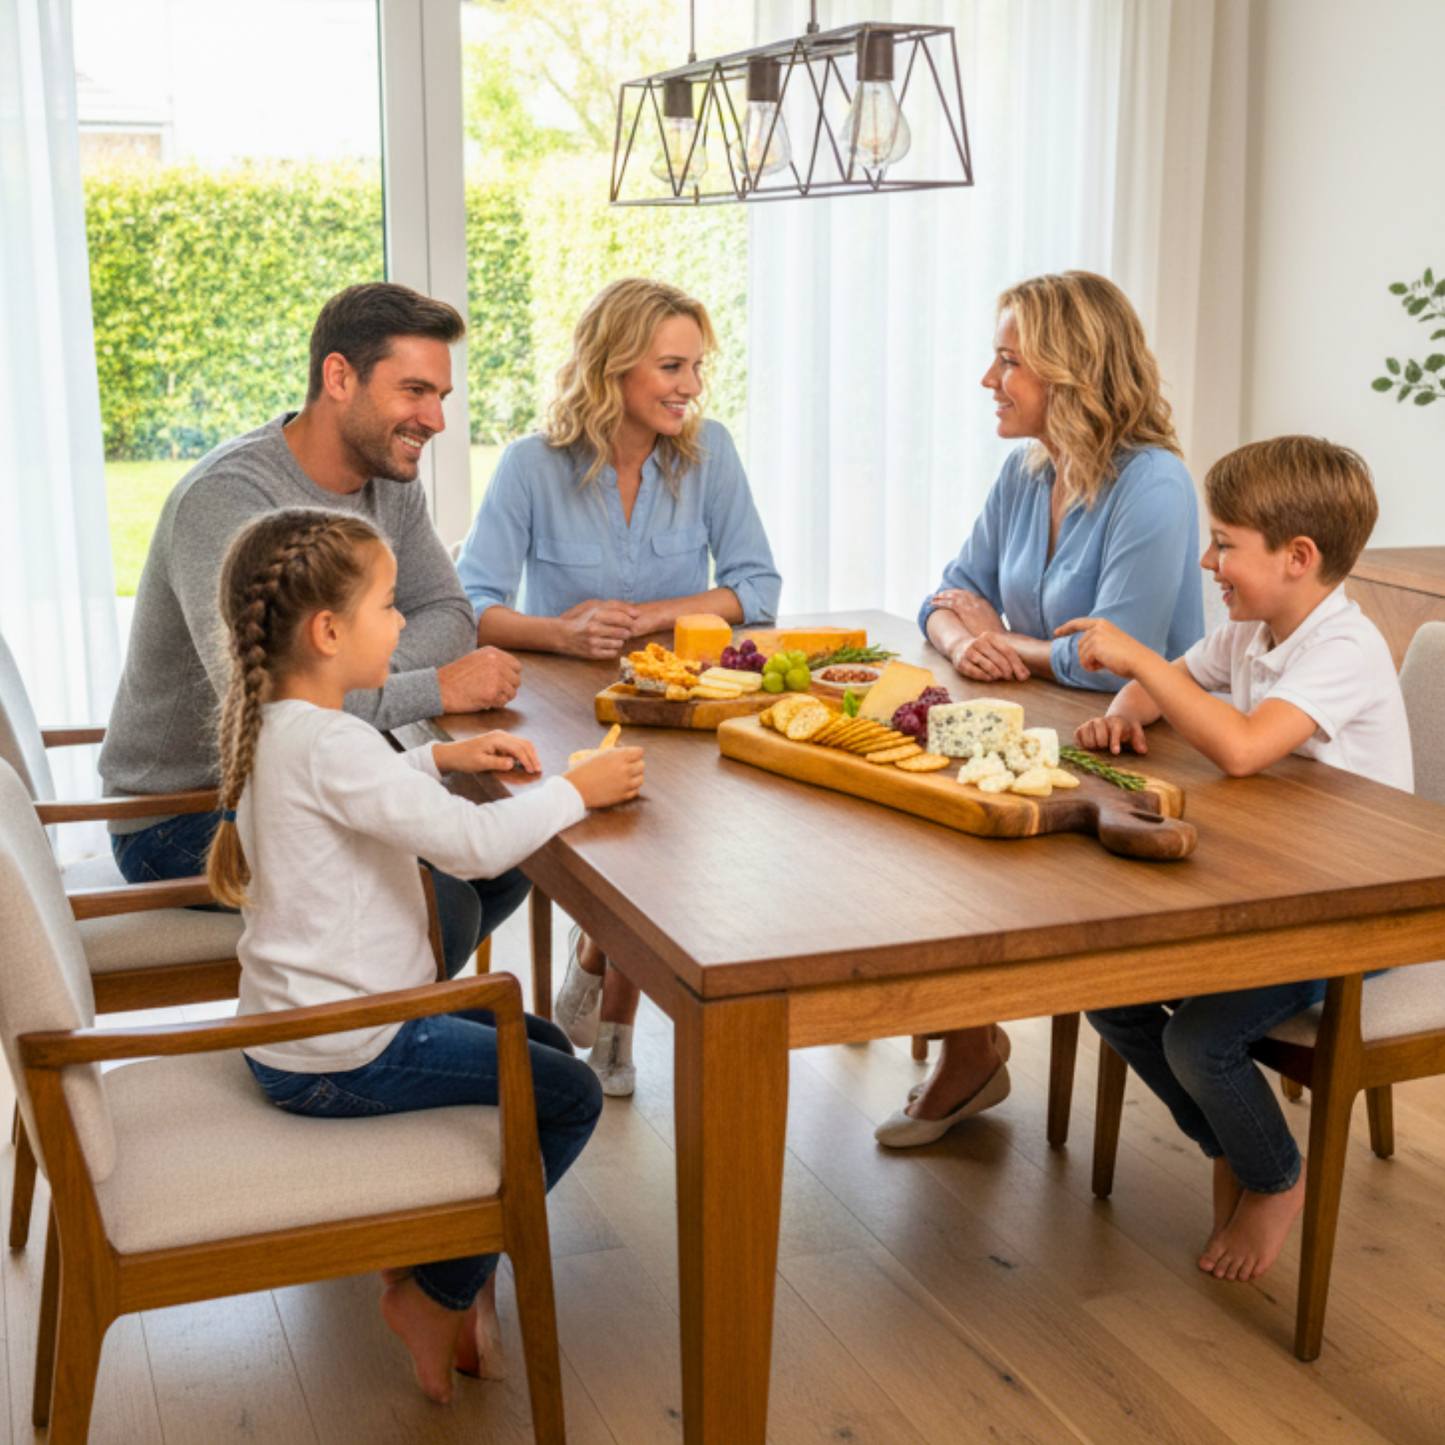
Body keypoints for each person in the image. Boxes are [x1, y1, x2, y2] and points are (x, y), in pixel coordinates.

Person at [205, 507, 645, 1402]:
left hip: (313, 1028)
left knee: (544, 1051)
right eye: (388, 605)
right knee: (570, 1097)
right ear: (328, 632)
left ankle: (449, 1252)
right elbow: (475, 848)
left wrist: (439, 753)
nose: (403, 623)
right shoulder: (330, 742)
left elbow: (353, 794)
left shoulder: (286, 727)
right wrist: (573, 788)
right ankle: (435, 1290)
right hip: (349, 1045)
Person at [99, 283, 524, 975]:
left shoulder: (391, 482)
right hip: (189, 815)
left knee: (510, 853)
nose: (436, 420)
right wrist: (432, 688)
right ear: (338, 377)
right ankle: (369, 1041)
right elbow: (270, 703)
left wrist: (355, 672)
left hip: (313, 771)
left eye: (440, 396)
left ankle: (385, 1013)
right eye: (415, 390)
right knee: (441, 898)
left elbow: (449, 614)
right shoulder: (229, 500)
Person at [1064, 435, 1411, 1283]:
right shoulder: (1250, 631)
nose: (1206, 558)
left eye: (1224, 542)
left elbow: (1247, 749)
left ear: (1298, 558)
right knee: (1108, 992)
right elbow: (1167, 688)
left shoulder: (1341, 648)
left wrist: (1139, 656)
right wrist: (1123, 706)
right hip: (1275, 888)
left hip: (1350, 917)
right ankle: (1232, 1141)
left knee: (1197, 1043)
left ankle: (1273, 1176)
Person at [877, 270, 1205, 1148]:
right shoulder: (1025, 472)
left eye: (1008, 360)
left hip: (1142, 749)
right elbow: (946, 595)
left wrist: (1010, 645)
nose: (991, 380)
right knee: (923, 825)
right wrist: (960, 643)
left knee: (959, 843)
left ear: (1073, 369)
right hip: (1042, 730)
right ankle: (972, 1042)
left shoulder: (1156, 483)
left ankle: (969, 1049)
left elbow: (1114, 657)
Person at [456, 277, 781, 1095]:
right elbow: (473, 603)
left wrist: (647, 617)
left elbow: (756, 588)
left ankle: (606, 989)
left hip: (678, 708)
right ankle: (610, 1009)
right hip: (562, 711)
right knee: (628, 839)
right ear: (613, 368)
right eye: (671, 366)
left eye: (696, 367)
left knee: (660, 835)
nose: (691, 387)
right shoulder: (532, 466)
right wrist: (561, 631)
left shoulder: (712, 457)